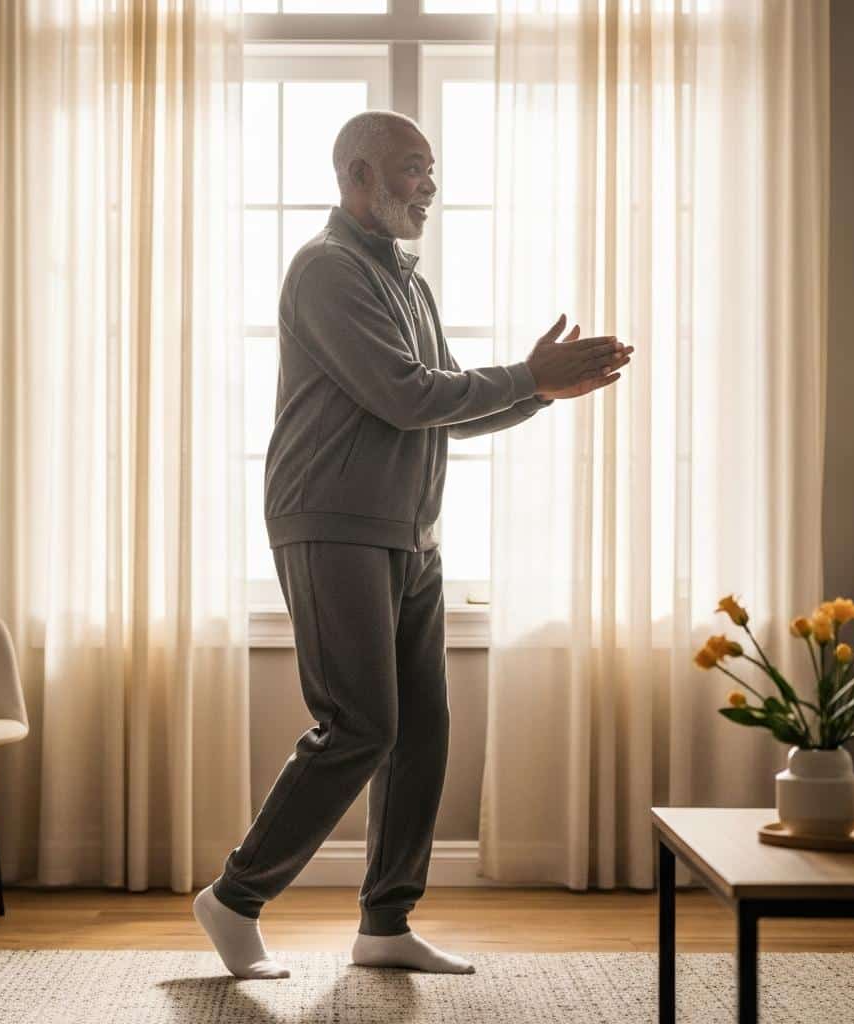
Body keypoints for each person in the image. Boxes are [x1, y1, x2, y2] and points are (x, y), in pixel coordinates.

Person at [193, 109, 632, 980]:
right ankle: (235, 897)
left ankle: (385, 925)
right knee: (361, 725)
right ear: (357, 175)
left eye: (431, 169)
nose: (429, 184)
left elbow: (441, 407)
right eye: (412, 168)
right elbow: (406, 395)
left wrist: (540, 392)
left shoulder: (406, 281)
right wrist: (528, 376)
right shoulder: (327, 269)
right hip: (331, 521)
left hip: (409, 531)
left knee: (421, 731)